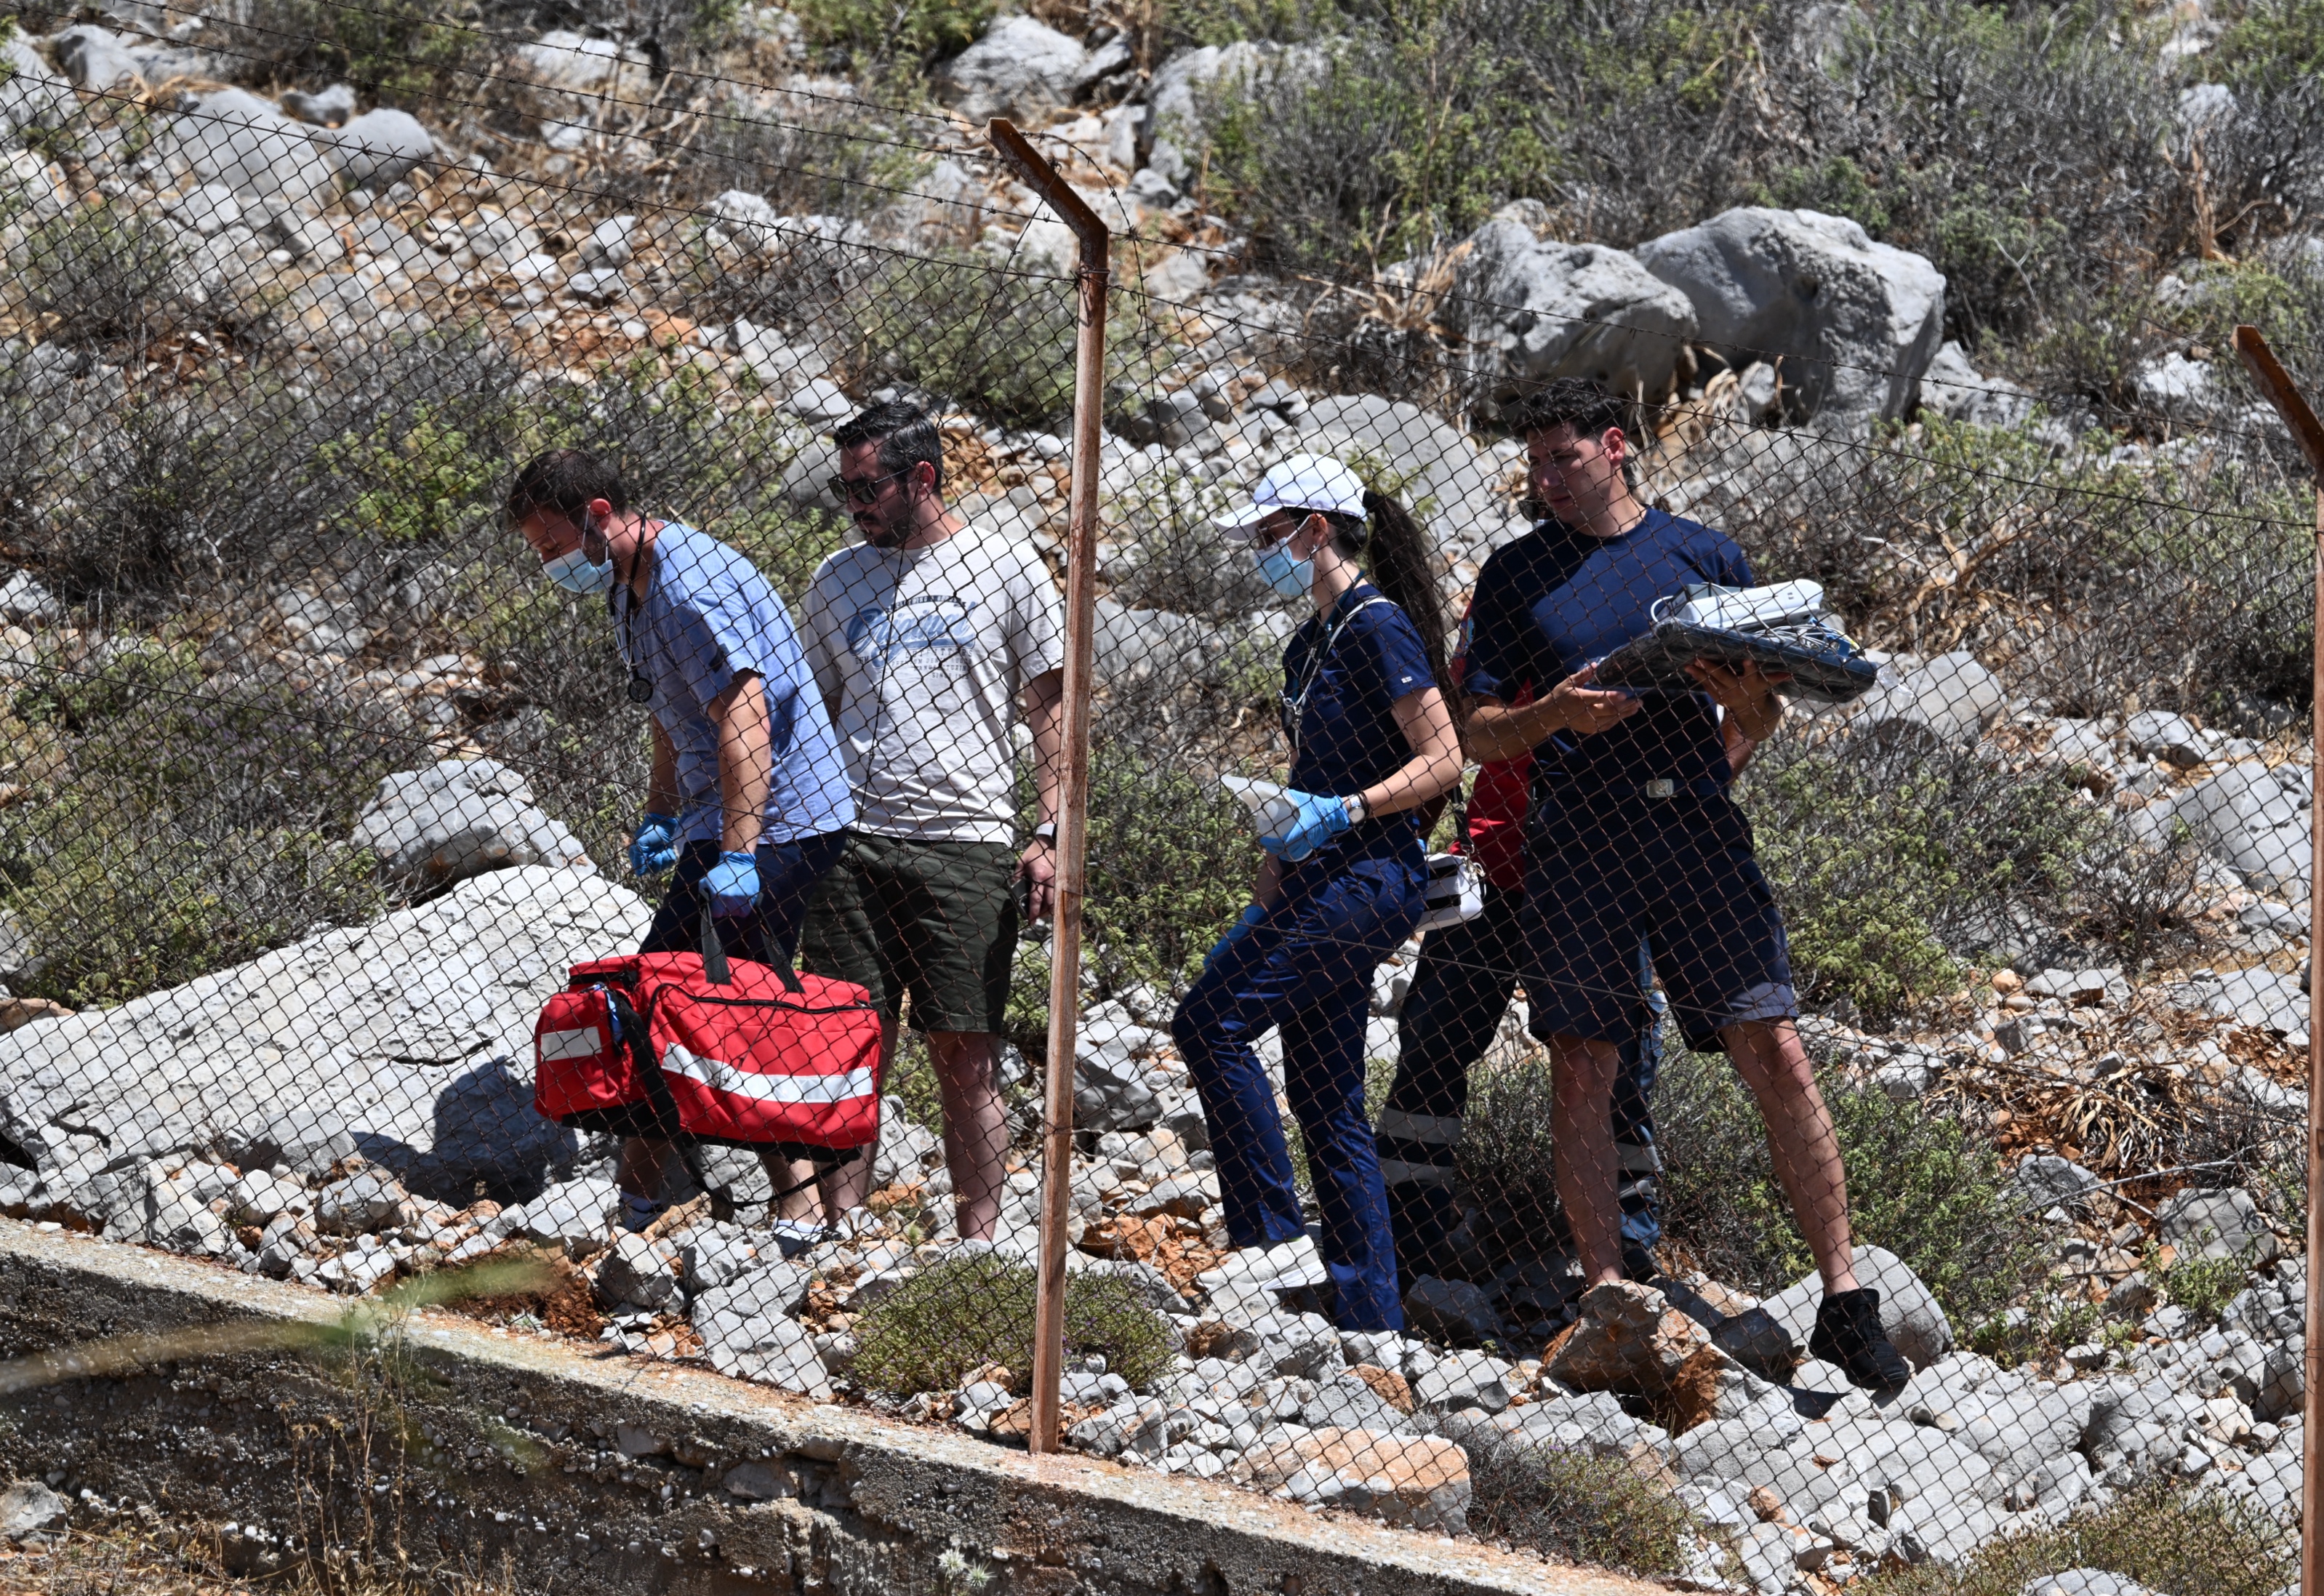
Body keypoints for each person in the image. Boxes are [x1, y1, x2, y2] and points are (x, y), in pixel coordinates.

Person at [1460, 380, 1910, 1390]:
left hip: (1697, 831)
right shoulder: (1517, 572)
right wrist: (1556, 717)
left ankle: (1845, 1298)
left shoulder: (1704, 556)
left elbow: (1754, 721)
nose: (1545, 481)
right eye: (1534, 465)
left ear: (1616, 447)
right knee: (1582, 1061)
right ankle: (1606, 1298)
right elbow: (1475, 731)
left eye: (1563, 460)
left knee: (1777, 1048)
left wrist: (1753, 708)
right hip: (1577, 838)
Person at [506, 448, 858, 1241]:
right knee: (690, 996)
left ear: (600, 514)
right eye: (540, 553)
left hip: (781, 819)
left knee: (713, 1001)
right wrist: (662, 810)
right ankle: (651, 1200)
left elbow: (745, 719)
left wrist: (738, 852)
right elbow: (670, 710)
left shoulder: (689, 588)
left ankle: (766, 1204)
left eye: (552, 544)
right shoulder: (633, 591)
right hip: (722, 818)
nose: (552, 564)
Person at [1170, 455, 1464, 1334]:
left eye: (1269, 535)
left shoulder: (1378, 628)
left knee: (1208, 1023)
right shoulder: (1310, 642)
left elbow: (1444, 757)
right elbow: (1305, 775)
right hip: (1314, 879)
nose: (1261, 552)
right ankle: (1371, 1315)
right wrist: (1268, 888)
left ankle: (1270, 1240)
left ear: (1316, 529)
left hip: (1368, 874)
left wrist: (1349, 807)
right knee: (1327, 1097)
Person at [795, 400, 1065, 1243]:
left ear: (922, 477)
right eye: (843, 491)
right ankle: (840, 1231)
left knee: (965, 1051)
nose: (855, 506)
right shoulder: (837, 578)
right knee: (846, 1044)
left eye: (867, 487)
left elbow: (1052, 706)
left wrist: (1050, 831)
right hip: (851, 845)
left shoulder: (1005, 565)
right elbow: (813, 708)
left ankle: (977, 1242)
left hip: (965, 841)